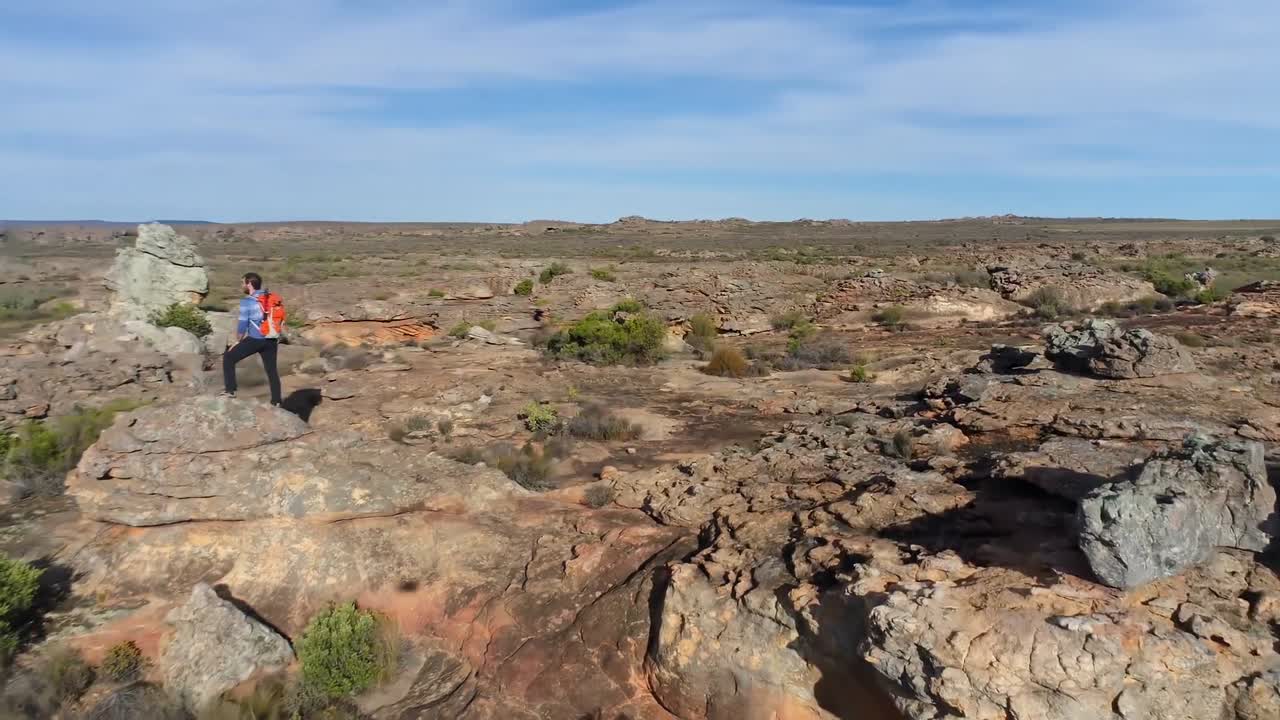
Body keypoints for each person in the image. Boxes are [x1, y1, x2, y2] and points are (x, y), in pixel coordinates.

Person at [222, 272, 283, 405]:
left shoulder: (247, 301)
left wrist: (237, 341)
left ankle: (230, 390)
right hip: (271, 339)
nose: (242, 285)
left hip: (256, 339)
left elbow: (243, 324)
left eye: (243, 282)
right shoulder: (272, 298)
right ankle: (276, 401)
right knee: (272, 370)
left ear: (249, 284)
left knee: (228, 357)